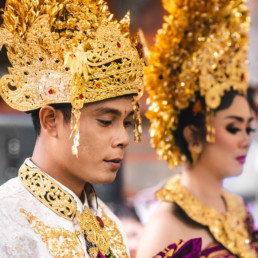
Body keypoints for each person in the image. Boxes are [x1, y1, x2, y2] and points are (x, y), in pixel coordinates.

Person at [0, 0, 144, 257]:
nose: (123, 138)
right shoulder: (6, 221)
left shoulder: (112, 227)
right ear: (50, 121)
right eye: (105, 121)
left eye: (127, 122)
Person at [137, 0, 258, 257]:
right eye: (234, 128)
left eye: (250, 129)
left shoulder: (238, 209)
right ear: (193, 134)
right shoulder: (166, 226)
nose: (245, 140)